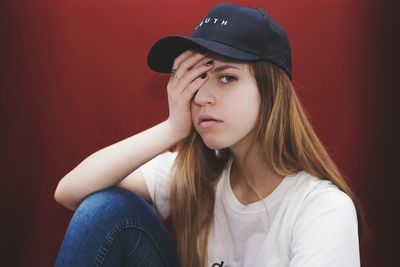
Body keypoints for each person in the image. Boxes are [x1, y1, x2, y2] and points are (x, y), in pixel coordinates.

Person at [54, 3, 365, 267]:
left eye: (227, 77)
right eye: (197, 78)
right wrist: (172, 129)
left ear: (271, 93)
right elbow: (70, 191)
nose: (202, 97)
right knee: (107, 208)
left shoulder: (323, 209)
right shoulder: (196, 173)